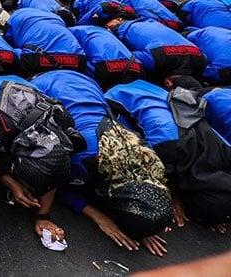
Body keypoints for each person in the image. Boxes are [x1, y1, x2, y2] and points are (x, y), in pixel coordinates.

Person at [32, 71, 174, 256]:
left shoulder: (144, 157)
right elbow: (57, 186)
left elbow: (143, 194)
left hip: (87, 82)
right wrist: (100, 217)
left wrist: (146, 220)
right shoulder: (85, 158)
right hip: (44, 84)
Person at [0, 75, 82, 247]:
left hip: (23, 88)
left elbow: (56, 164)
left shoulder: (63, 121)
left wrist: (43, 215)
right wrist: (11, 183)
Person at [105, 79, 231, 230]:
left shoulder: (224, 149)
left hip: (153, 90)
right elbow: (144, 168)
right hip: (117, 97)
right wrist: (172, 198)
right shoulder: (165, 147)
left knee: (218, 208)